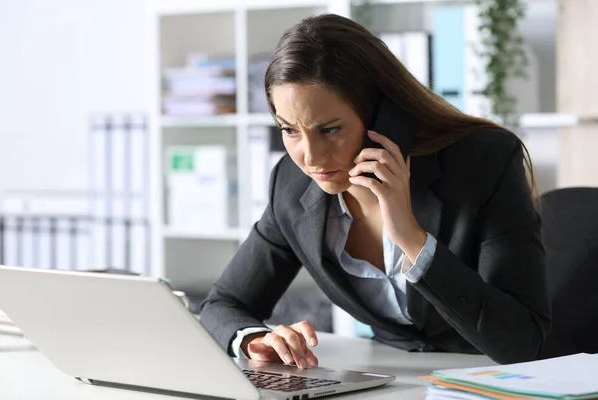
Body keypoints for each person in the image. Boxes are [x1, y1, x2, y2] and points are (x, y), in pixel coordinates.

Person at [200, 13, 551, 367]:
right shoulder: (291, 186)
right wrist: (253, 338)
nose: (310, 157)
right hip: (395, 376)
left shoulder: (483, 162)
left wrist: (413, 239)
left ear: (385, 115)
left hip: (496, 378)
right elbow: (223, 304)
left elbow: (522, 343)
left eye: (330, 129)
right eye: (289, 130)